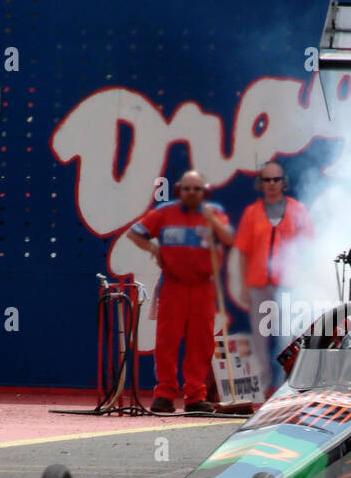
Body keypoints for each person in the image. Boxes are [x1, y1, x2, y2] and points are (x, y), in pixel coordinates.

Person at [127, 170, 233, 413]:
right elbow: (135, 233)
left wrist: (212, 221)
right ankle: (164, 394)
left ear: (204, 191)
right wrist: (152, 248)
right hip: (173, 286)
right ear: (179, 190)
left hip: (202, 287)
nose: (192, 193)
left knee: (201, 343)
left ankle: (195, 396)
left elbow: (228, 239)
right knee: (167, 342)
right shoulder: (165, 213)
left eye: (197, 189)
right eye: (187, 188)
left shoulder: (213, 213)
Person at [233, 161, 313, 397]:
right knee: (260, 339)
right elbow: (243, 252)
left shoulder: (298, 210)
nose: (271, 184)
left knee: (287, 336)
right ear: (261, 183)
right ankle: (261, 385)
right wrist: (244, 285)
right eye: (267, 180)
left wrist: (306, 282)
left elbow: (309, 247)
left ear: (283, 182)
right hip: (259, 285)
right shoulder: (252, 213)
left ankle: (284, 386)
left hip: (288, 285)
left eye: (276, 179)